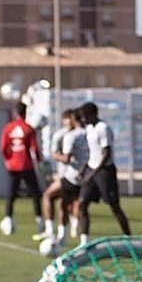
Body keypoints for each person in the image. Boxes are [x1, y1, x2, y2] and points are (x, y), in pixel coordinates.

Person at [77, 101, 131, 244]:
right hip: (92, 169)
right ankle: (84, 242)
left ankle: (128, 237)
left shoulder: (103, 128)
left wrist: (93, 172)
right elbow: (92, 152)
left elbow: (106, 153)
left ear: (93, 114)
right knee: (82, 203)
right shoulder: (89, 128)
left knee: (114, 206)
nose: (83, 120)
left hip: (104, 171)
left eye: (84, 116)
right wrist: (84, 169)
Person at [34, 107, 89, 245]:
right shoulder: (62, 134)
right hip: (76, 174)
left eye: (71, 118)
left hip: (71, 175)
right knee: (67, 204)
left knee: (50, 196)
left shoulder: (72, 135)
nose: (69, 121)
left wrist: (55, 156)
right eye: (67, 118)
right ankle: (66, 234)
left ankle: (52, 231)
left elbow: (65, 158)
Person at [0, 102, 43, 236]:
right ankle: (40, 221)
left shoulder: (8, 128)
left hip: (13, 165)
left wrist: (7, 160)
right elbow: (34, 148)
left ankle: (8, 219)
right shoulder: (28, 128)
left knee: (11, 194)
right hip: (26, 164)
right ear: (25, 113)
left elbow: (3, 148)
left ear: (15, 113)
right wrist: (40, 162)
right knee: (35, 194)